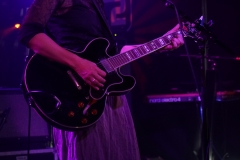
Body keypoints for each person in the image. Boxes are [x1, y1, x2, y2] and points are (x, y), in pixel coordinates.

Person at [18, 0, 184, 159]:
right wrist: (80, 65)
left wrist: (159, 43)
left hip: (107, 96)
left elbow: (112, 56)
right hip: (76, 96)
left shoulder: (96, 2)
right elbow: (30, 34)